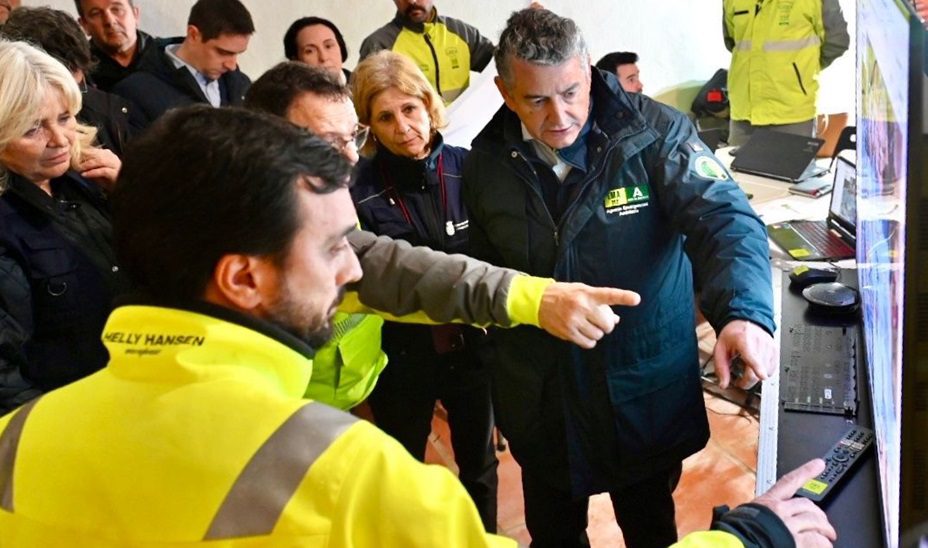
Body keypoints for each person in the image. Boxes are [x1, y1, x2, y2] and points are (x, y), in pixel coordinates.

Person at [0, 104, 837, 548]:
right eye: (334, 250)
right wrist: (749, 539)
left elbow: (413, 270)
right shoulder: (344, 477)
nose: (358, 270)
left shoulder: (17, 438)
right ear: (244, 278)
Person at [463, 8, 779, 547]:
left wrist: (744, 312)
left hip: (639, 392)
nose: (559, 115)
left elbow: (724, 219)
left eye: (570, 92)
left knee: (650, 529)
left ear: (587, 70)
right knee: (555, 535)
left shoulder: (654, 134)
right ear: (505, 91)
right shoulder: (486, 161)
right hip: (542, 402)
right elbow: (484, 273)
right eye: (537, 100)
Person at [245, 61, 639, 408]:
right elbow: (392, 271)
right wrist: (534, 299)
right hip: (290, 406)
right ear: (267, 143)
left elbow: (389, 268)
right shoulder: (252, 228)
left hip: (374, 376)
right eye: (329, 142)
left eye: (352, 137)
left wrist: (533, 297)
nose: (348, 156)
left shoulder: (464, 167)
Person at [351, 50, 498, 530]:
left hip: (471, 348)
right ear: (369, 125)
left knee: (479, 467)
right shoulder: (359, 188)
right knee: (404, 470)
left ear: (428, 105)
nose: (402, 126)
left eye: (409, 109)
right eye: (385, 117)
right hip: (403, 355)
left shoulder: (470, 168)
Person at [0, 40, 126, 415]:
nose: (59, 140)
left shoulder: (92, 178)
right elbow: (5, 374)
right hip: (64, 422)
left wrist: (130, 195)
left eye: (65, 117)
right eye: (32, 128)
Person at [1, 6, 133, 156]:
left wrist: (122, 177)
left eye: (78, 85)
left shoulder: (107, 111)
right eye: (34, 128)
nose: (60, 141)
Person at [723, 0, 849, 146]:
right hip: (743, 114)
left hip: (792, 113)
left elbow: (837, 41)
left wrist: (801, 70)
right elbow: (732, 42)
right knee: (737, 168)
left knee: (791, 168)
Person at [112, 0, 253, 129]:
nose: (232, 65)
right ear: (193, 34)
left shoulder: (242, 85)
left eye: (237, 53)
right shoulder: (135, 91)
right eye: (223, 52)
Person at [360, 0, 495, 104]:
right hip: (412, 135)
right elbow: (366, 102)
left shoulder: (462, 33)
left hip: (465, 129)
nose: (412, 1)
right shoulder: (379, 45)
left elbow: (500, 67)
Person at [75, 0, 155, 92]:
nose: (110, 21)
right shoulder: (80, 78)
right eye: (96, 13)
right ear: (84, 25)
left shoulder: (168, 57)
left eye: (116, 9)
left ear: (135, 14)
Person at [283, 16, 352, 84]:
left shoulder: (361, 87)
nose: (323, 57)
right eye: (310, 51)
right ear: (295, 60)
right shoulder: (286, 94)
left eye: (328, 46)